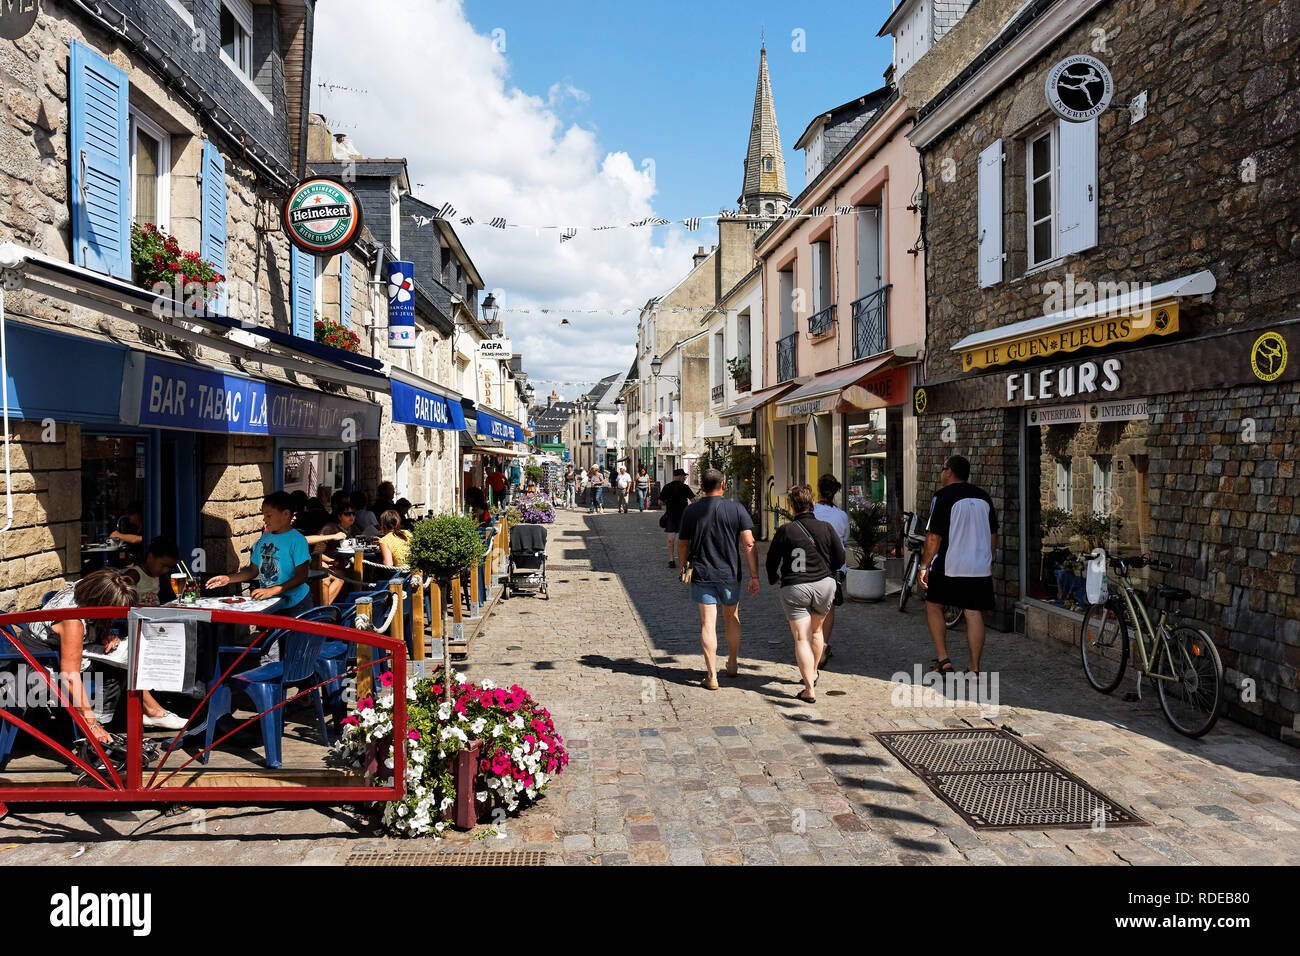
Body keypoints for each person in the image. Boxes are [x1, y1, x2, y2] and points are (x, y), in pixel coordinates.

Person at [24, 568, 188, 739]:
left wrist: (104, 634)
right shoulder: (73, 622)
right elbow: (69, 676)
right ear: (99, 603)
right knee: (114, 671)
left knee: (124, 657)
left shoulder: (86, 588)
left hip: (62, 648)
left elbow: (93, 623)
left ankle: (147, 712)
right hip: (39, 661)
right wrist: (91, 724)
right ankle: (97, 728)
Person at [677, 469, 759, 690]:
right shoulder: (737, 509)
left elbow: (682, 543)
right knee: (731, 617)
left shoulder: (691, 511)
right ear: (723, 484)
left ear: (701, 487)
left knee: (708, 623)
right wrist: (754, 575)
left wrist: (684, 566)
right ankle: (732, 663)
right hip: (730, 573)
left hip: (703, 574)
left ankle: (712, 675)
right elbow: (749, 543)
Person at [918, 454, 998, 678]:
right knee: (974, 613)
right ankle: (974, 668)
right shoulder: (984, 497)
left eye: (943, 469)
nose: (942, 473)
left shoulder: (942, 496)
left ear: (949, 471)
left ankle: (943, 659)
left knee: (934, 606)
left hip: (949, 564)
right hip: (978, 566)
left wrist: (924, 565)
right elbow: (993, 534)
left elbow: (934, 537)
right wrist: (988, 559)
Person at [767, 485, 846, 703]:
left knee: (801, 637)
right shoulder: (827, 528)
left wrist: (773, 577)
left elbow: (771, 560)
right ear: (812, 503)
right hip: (823, 586)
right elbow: (840, 560)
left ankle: (809, 688)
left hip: (795, 588)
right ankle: (813, 671)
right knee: (817, 631)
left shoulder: (785, 531)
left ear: (791, 505)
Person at [204, 491, 313, 634]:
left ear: (286, 514)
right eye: (264, 515)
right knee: (271, 651)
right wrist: (228, 578)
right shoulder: (264, 538)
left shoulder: (297, 540)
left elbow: (302, 576)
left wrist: (272, 590)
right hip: (270, 604)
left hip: (295, 604)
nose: (265, 520)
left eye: (269, 515)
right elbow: (252, 571)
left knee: (293, 650)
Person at [813, 474, 851, 668]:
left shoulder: (810, 511)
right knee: (829, 609)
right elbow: (844, 539)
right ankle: (823, 645)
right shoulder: (841, 516)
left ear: (818, 490)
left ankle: (813, 643)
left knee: (810, 607)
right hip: (834, 567)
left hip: (812, 565)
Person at [313, 499, 358, 604]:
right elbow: (316, 554)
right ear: (339, 516)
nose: (351, 516)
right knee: (342, 576)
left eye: (353, 514)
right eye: (347, 514)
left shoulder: (354, 529)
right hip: (330, 565)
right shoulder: (330, 529)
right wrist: (332, 562)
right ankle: (325, 608)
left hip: (346, 564)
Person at [123, 536, 181, 606]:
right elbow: (123, 601)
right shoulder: (134, 575)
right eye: (163, 565)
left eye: (169, 567)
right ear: (150, 557)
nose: (165, 570)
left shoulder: (157, 576)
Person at [658, 468, 695, 568]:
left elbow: (660, 502)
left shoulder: (667, 487)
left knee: (671, 539)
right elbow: (693, 501)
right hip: (684, 517)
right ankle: (686, 558)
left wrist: (669, 503)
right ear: (679, 477)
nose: (684, 478)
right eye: (683, 476)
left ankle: (671, 560)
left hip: (670, 516)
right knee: (685, 539)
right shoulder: (685, 487)